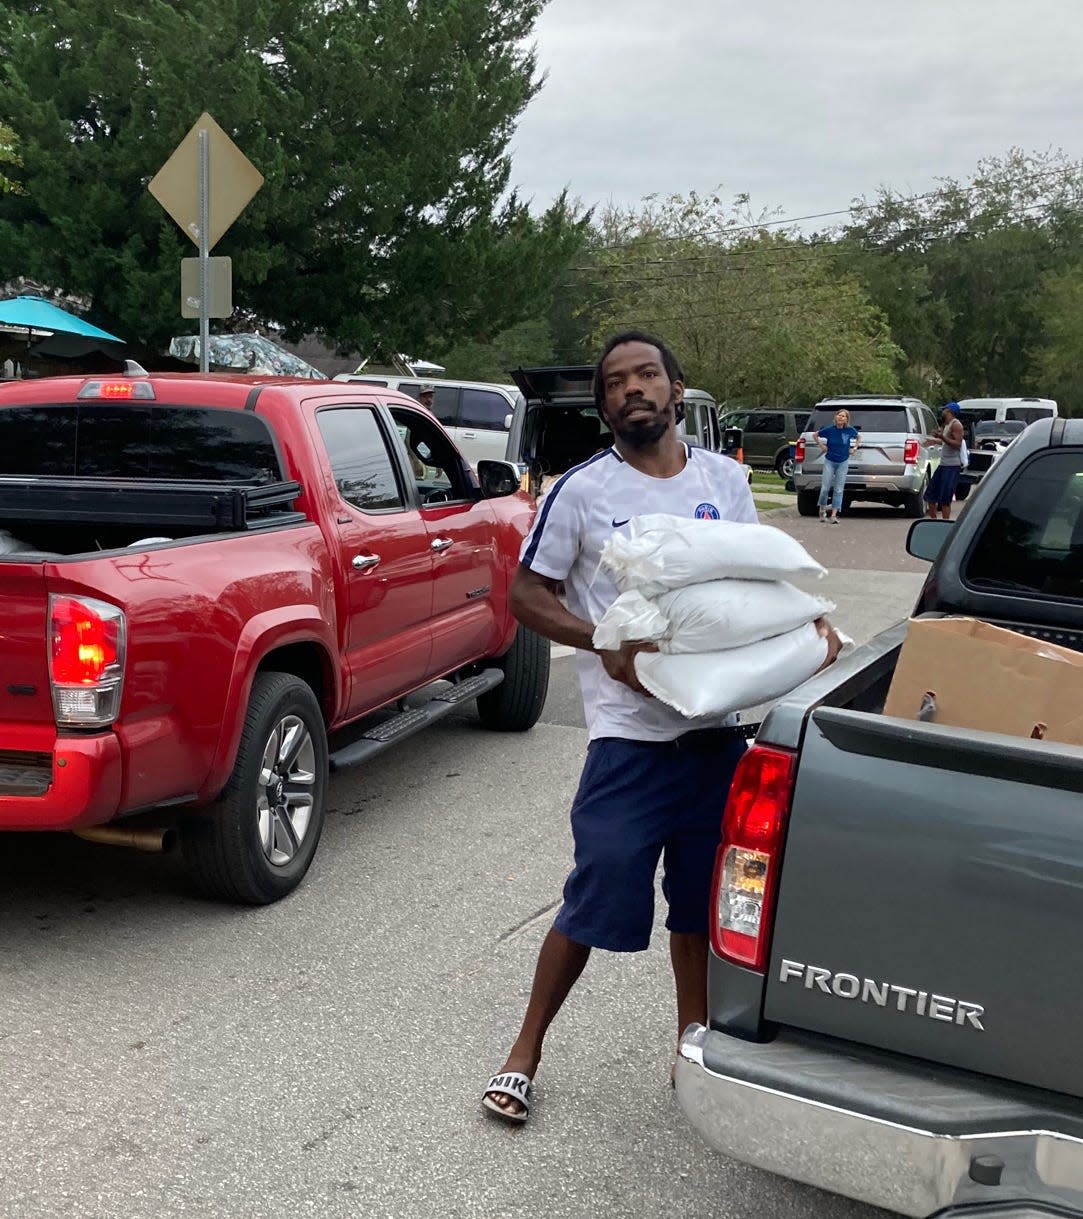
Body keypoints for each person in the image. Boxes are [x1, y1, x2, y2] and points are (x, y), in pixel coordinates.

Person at [481, 330, 841, 1125]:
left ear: (677, 390)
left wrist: (800, 644)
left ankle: (692, 1048)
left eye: (647, 375)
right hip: (627, 741)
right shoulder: (579, 491)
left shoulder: (724, 480)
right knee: (595, 887)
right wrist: (602, 640)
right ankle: (524, 1051)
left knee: (697, 904)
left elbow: (753, 584)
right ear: (602, 402)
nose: (631, 389)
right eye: (615, 381)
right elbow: (525, 596)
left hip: (716, 735)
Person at [814, 407, 858, 524]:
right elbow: (815, 435)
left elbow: (858, 437)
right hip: (830, 461)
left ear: (846, 419)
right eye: (839, 415)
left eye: (843, 416)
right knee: (825, 488)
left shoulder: (849, 431)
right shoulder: (830, 430)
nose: (841, 417)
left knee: (838, 489)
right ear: (835, 417)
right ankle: (822, 509)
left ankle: (834, 514)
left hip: (843, 462)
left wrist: (854, 448)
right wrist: (821, 446)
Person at [926, 402, 965, 520]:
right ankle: (933, 522)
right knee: (930, 495)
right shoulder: (946, 425)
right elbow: (946, 442)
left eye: (945, 410)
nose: (943, 412)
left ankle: (944, 523)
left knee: (945, 499)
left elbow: (957, 444)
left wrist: (942, 437)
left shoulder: (956, 425)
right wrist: (934, 440)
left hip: (952, 466)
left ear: (950, 411)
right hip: (943, 465)